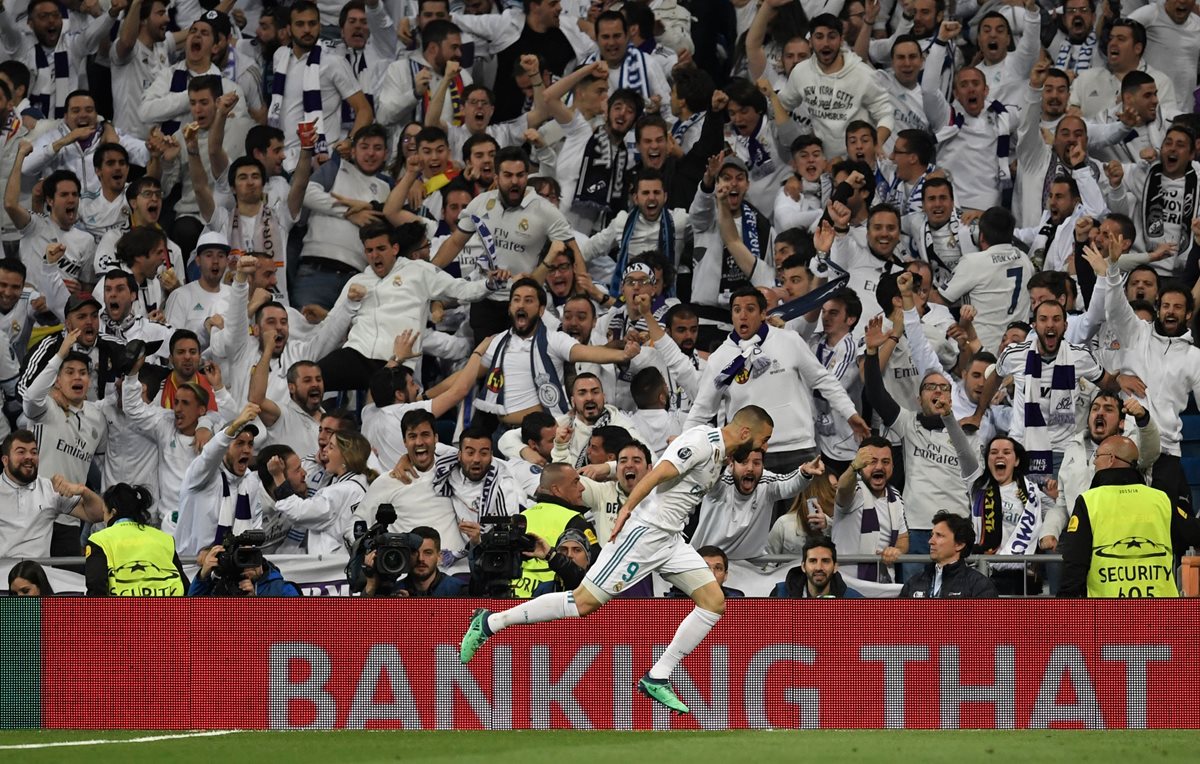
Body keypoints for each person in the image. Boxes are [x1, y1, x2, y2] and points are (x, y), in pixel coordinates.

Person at [459, 405, 775, 715]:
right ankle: (490, 622)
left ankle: (658, 676)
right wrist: (627, 510)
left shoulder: (721, 453)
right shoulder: (703, 443)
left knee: (713, 602)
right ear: (747, 431)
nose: (765, 446)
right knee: (582, 603)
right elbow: (658, 473)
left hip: (670, 539)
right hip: (644, 533)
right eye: (764, 439)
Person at [1058, 435, 1200, 598]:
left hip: (1110, 615)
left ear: (1111, 459)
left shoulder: (1089, 502)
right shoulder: (1161, 500)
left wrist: (1065, 611)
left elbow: (1074, 563)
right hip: (1161, 614)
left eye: (1097, 456)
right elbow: (1194, 533)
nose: (1094, 463)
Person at [0, 429, 103, 559]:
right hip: (2, 573)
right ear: (5, 460)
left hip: (39, 574)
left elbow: (99, 514)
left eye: (34, 452)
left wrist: (83, 490)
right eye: (21, 452)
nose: (29, 457)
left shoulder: (49, 489)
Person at [502, 463, 599, 598]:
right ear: (556, 490)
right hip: (553, 600)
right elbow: (595, 566)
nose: (582, 488)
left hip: (514, 597)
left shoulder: (521, 518)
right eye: (575, 483)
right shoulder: (574, 520)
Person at [968, 437, 1048, 595]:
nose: (999, 456)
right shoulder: (978, 487)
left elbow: (1056, 512)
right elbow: (962, 451)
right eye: (993, 452)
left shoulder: (1032, 492)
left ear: (1017, 460)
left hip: (1023, 576)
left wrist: (1053, 497)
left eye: (1006, 452)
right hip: (986, 571)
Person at [84, 483, 187, 597]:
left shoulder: (100, 540)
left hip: (123, 612)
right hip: (170, 611)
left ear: (113, 512)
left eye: (104, 513)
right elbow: (185, 586)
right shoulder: (165, 539)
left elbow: (96, 586)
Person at [832, 438, 908, 583]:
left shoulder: (896, 497)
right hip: (846, 585)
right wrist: (853, 467)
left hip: (882, 586)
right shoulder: (855, 491)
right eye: (872, 461)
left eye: (885, 462)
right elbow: (842, 489)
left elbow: (903, 538)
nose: (879, 467)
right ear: (861, 465)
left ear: (892, 465)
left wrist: (897, 550)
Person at [899, 510, 998, 598]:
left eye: (939, 536)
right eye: (932, 535)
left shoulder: (979, 585)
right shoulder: (914, 582)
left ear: (959, 544)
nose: (930, 541)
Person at [189, 543, 301, 596]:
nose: (249, 564)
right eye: (242, 558)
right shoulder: (222, 586)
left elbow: (296, 628)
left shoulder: (283, 590)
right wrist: (203, 575)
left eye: (252, 556)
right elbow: (191, 614)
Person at [770, 536, 863, 598]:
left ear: (835, 567)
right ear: (803, 566)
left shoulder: (853, 600)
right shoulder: (780, 594)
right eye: (813, 561)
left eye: (825, 561)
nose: (819, 567)